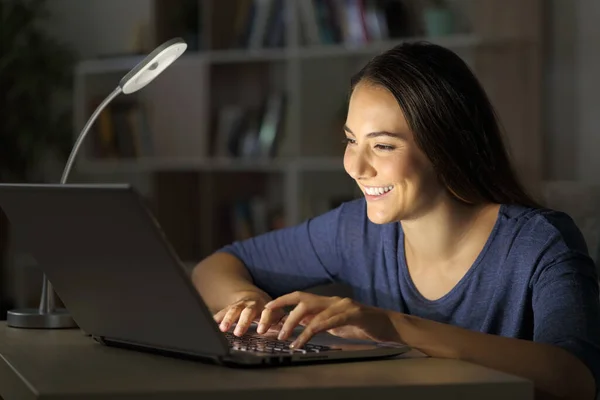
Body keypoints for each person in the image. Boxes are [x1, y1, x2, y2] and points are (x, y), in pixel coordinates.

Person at [192, 42, 600, 400]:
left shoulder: (538, 242)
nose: (356, 166)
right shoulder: (355, 231)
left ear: (446, 149)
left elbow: (574, 378)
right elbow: (217, 266)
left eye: (383, 146)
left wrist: (393, 326)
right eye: (351, 141)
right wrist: (245, 302)